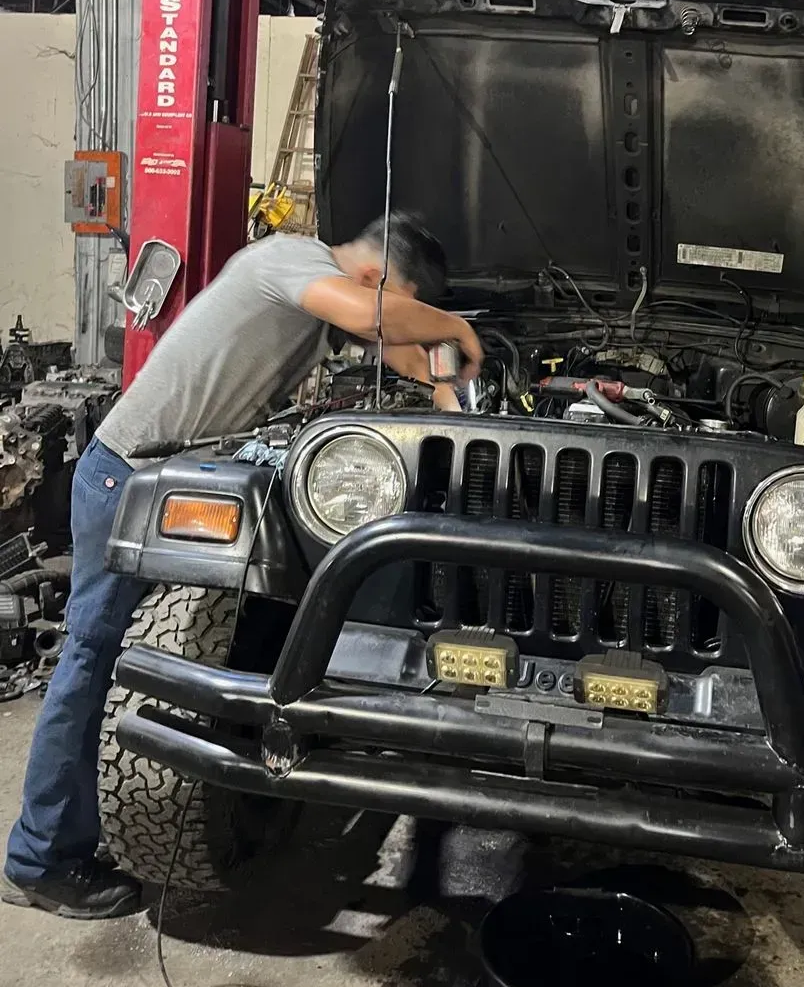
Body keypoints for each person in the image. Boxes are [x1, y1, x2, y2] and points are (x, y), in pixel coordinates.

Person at [3, 213, 481, 918]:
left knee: (111, 659)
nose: (388, 321)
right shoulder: (289, 260)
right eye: (397, 302)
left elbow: (400, 352)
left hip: (155, 474)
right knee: (92, 661)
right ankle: (39, 859)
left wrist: (453, 388)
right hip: (124, 474)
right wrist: (456, 329)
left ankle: (80, 829)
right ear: (379, 279)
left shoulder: (317, 299)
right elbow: (373, 316)